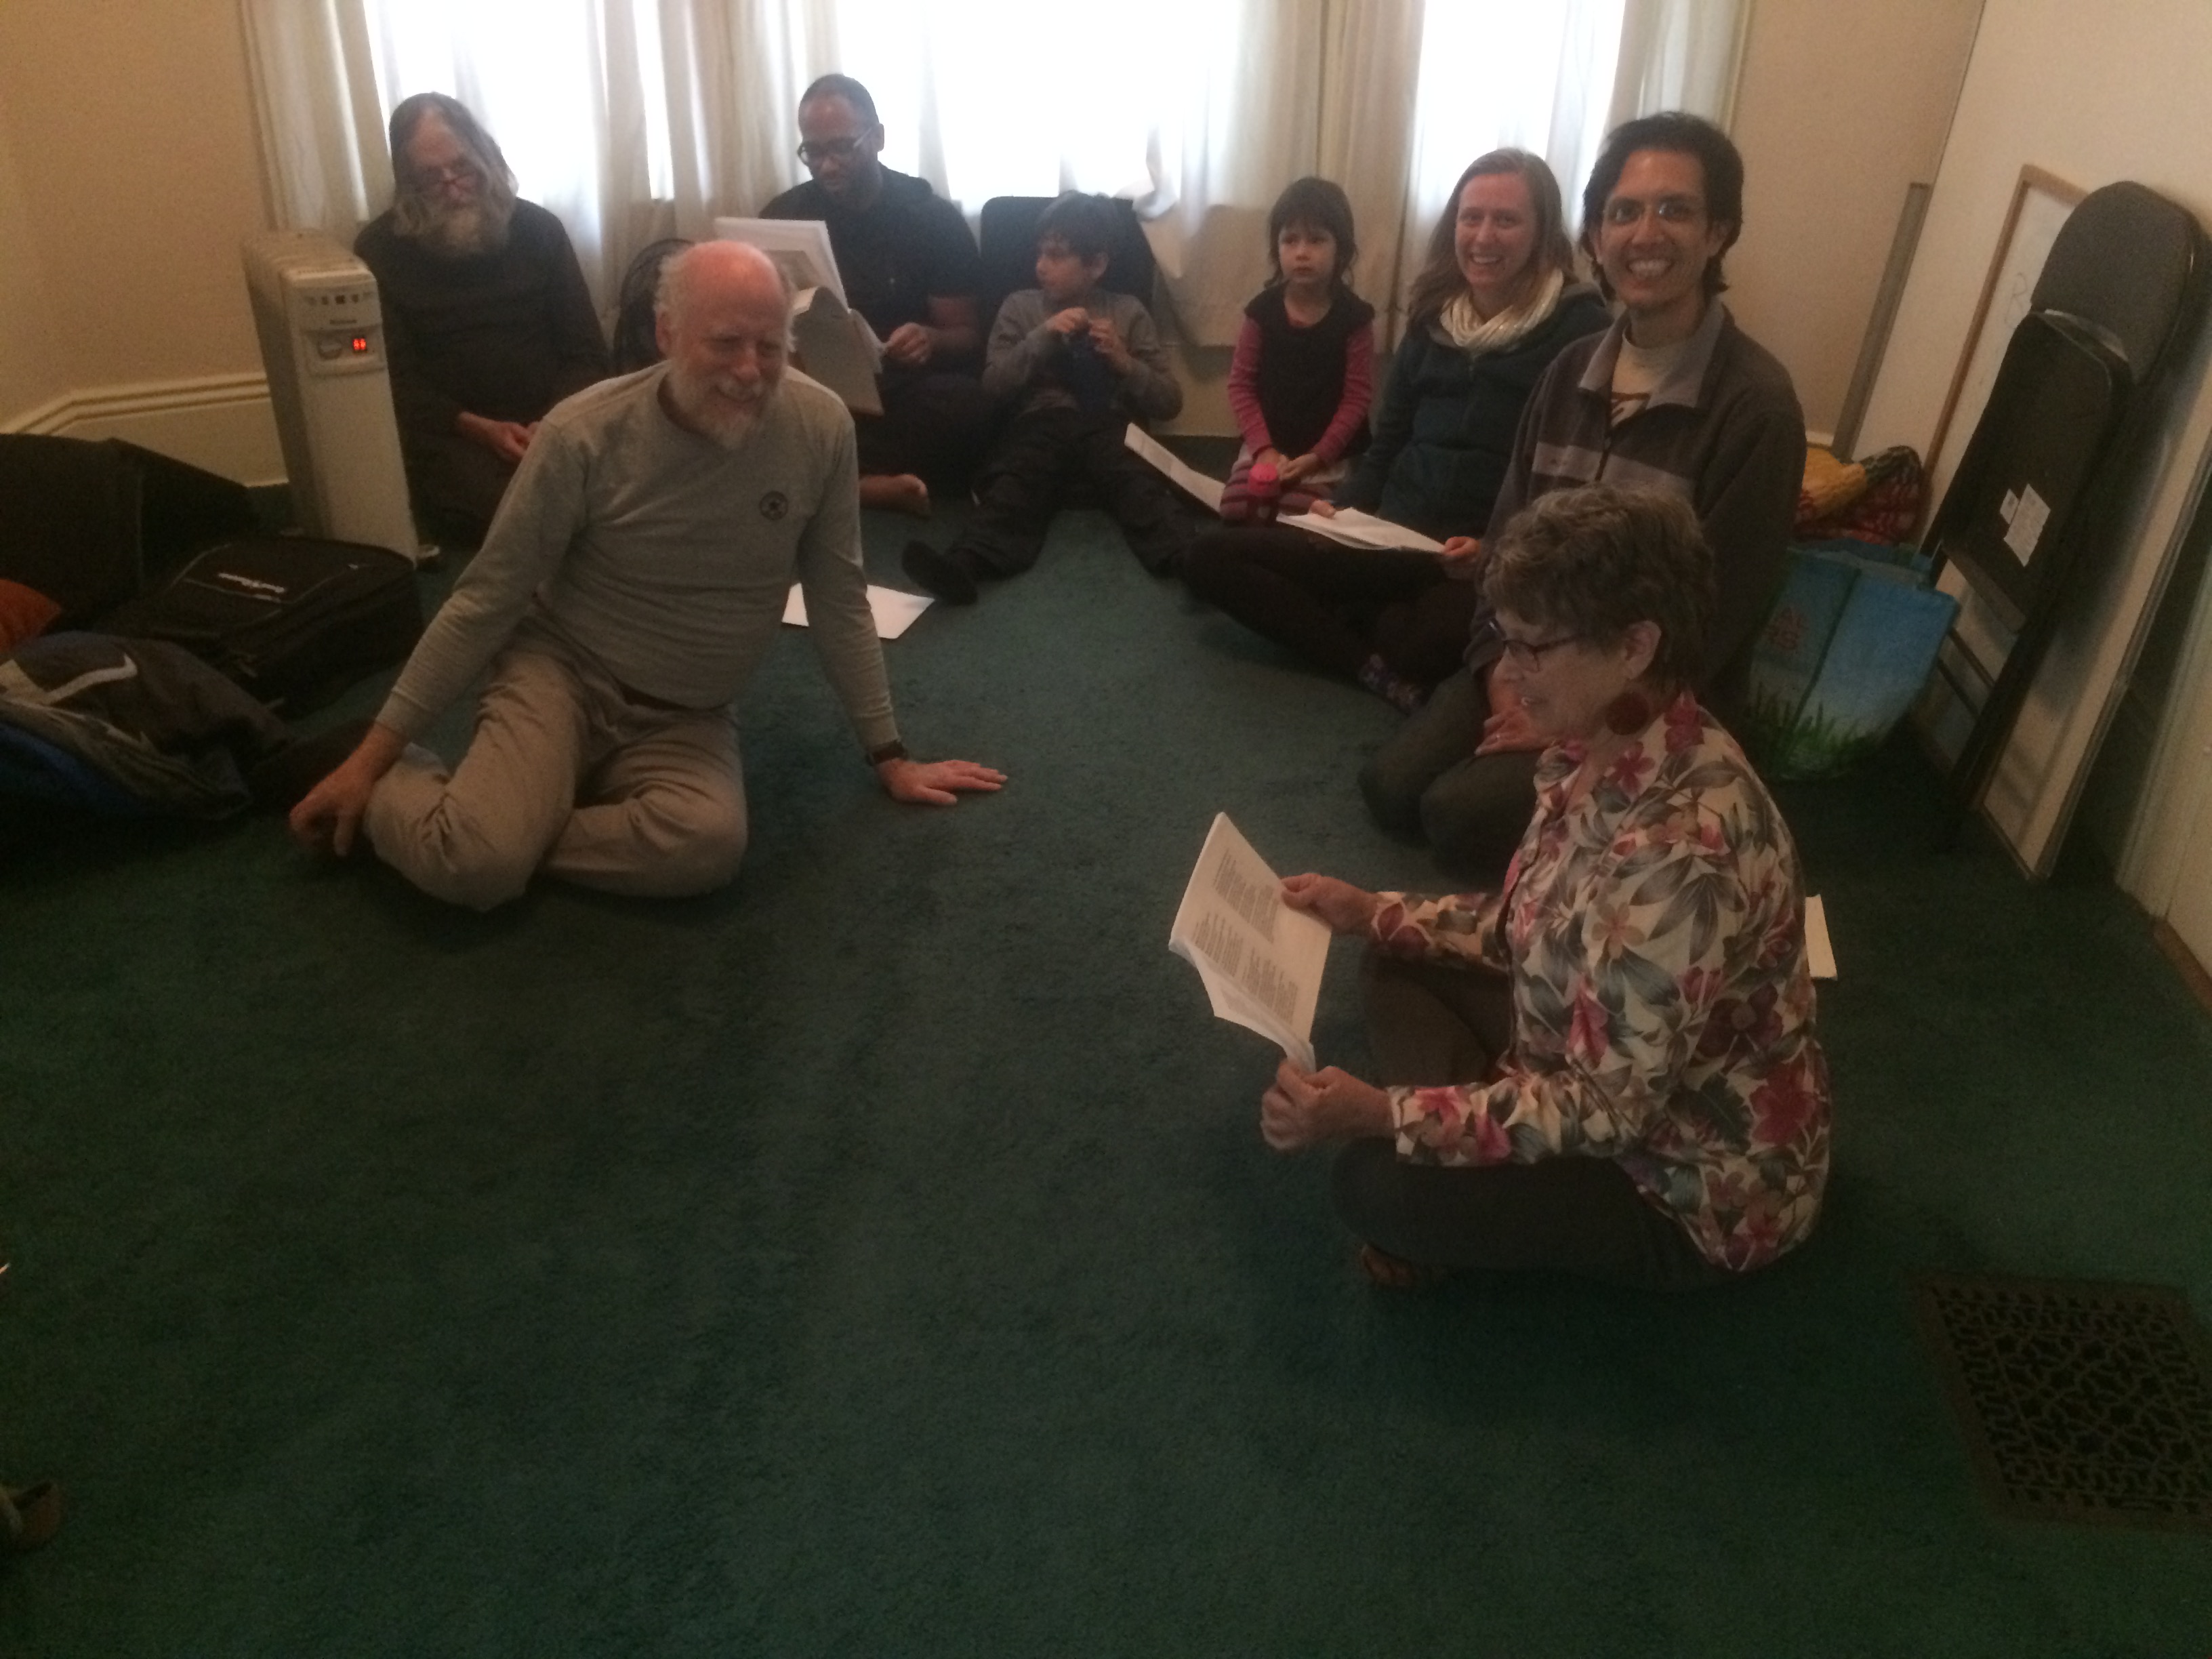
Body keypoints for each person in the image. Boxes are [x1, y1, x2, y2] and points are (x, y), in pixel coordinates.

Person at [287, 242, 1004, 911]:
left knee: (706, 849)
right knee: (474, 870)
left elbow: (840, 600)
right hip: (563, 675)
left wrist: (891, 757)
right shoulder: (581, 434)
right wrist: (374, 756)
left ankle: (509, 825)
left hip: (691, 711)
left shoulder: (822, 428)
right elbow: (483, 600)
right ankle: (394, 785)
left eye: (769, 346)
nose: (750, 370)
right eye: (725, 342)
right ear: (666, 334)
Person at [1261, 485, 1830, 1290]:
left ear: (1635, 645)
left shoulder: (1679, 858)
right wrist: (1370, 910)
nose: (1510, 671)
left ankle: (1472, 1170)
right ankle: (1478, 1137)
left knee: (1369, 1183)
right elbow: (1534, 923)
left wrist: (1387, 1114)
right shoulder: (1609, 739)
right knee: (1390, 953)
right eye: (1508, 638)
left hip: (1677, 1177)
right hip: (1591, 1057)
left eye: (1534, 648)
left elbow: (1609, 1112)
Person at [1361, 113, 1805, 877]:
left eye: (1674, 210)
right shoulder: (1568, 372)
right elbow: (1505, 547)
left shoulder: (1756, 407)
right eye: (1623, 212)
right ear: (1596, 237)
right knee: (1389, 789)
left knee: (1455, 819)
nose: (1645, 234)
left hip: (1645, 703)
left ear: (1719, 232)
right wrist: (1501, 669)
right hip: (1530, 660)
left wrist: (1581, 720)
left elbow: (1717, 624)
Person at [1183, 152, 1608, 712]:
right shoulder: (1433, 317)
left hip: (1482, 553)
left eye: (1506, 220)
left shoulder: (1581, 328)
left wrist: (1495, 549)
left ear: (1542, 232)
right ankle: (1369, 665)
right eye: (1471, 217)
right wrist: (1345, 510)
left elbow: (1574, 478)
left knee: (1420, 644)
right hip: (1392, 532)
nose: (1483, 237)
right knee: (1207, 556)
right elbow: (1388, 442)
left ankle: (1357, 630)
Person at [899, 192, 1191, 605]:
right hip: (1039, 422)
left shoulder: (1127, 311)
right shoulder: (1019, 307)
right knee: (1015, 483)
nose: (1040, 265)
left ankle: (1189, 559)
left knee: (1138, 484)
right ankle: (966, 563)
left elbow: (1170, 402)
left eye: (1056, 256)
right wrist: (1042, 337)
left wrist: (1125, 363)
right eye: (1040, 253)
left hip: (1108, 422)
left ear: (1096, 265)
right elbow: (993, 386)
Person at [355, 93, 611, 547]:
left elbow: (585, 352)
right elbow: (397, 381)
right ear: (408, 182)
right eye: (431, 178)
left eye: (463, 168)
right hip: (459, 434)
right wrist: (481, 428)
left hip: (557, 418)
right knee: (516, 508)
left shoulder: (539, 230)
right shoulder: (380, 250)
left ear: (485, 157)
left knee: (623, 484)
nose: (453, 187)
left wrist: (552, 424)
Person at [760, 74, 999, 516]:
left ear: (878, 138)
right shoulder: (784, 215)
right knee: (742, 392)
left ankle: (827, 479)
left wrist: (930, 338)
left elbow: (968, 334)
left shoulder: (931, 219)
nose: (827, 166)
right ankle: (864, 487)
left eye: (842, 147)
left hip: (898, 385)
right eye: (813, 152)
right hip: (812, 379)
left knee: (969, 407)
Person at [1215, 177, 1376, 523]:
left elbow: (1357, 398)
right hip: (1267, 448)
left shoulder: (1355, 319)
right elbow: (1241, 386)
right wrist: (1264, 450)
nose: (1302, 252)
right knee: (1237, 509)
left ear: (1341, 249)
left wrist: (1319, 457)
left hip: (1327, 456)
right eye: (1290, 240)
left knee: (1312, 523)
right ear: (1277, 249)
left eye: (1316, 240)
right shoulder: (1261, 312)